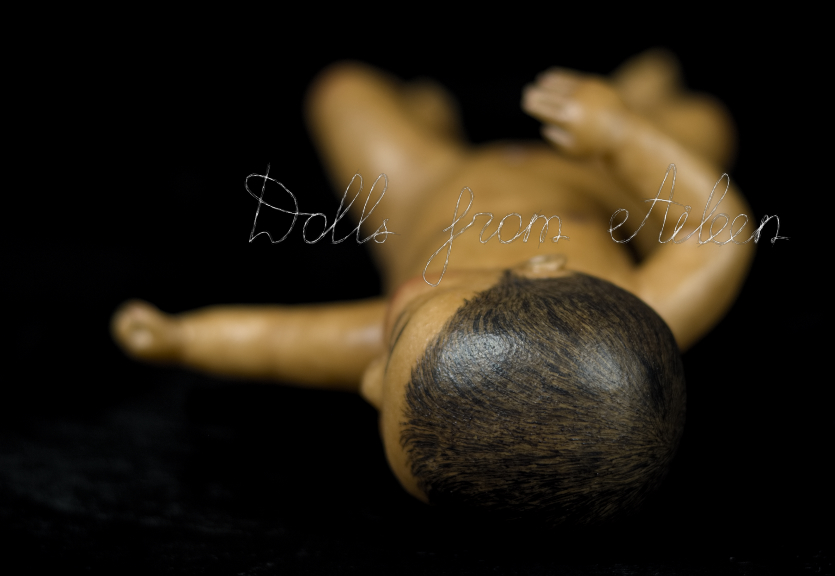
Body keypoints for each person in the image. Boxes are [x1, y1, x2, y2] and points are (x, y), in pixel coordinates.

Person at [111, 49, 756, 524]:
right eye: (410, 319)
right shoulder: (642, 311)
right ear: (544, 271)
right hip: (594, 176)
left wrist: (181, 338)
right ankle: (634, 96)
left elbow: (277, 342)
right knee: (702, 125)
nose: (369, 379)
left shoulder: (395, 344)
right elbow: (716, 229)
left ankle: (432, 123)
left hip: (423, 189)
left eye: (378, 375)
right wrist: (619, 135)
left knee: (342, 90)